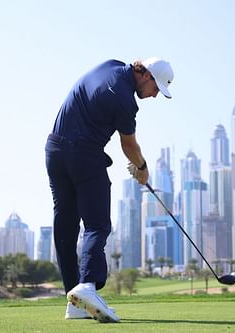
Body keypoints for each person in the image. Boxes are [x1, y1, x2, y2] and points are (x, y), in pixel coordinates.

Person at [45, 57, 174, 323]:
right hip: (83, 154)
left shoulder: (111, 64)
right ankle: (87, 285)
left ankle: (75, 302)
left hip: (55, 150)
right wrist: (142, 167)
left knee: (66, 229)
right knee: (98, 224)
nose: (154, 96)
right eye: (156, 89)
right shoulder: (126, 100)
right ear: (146, 75)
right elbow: (129, 146)